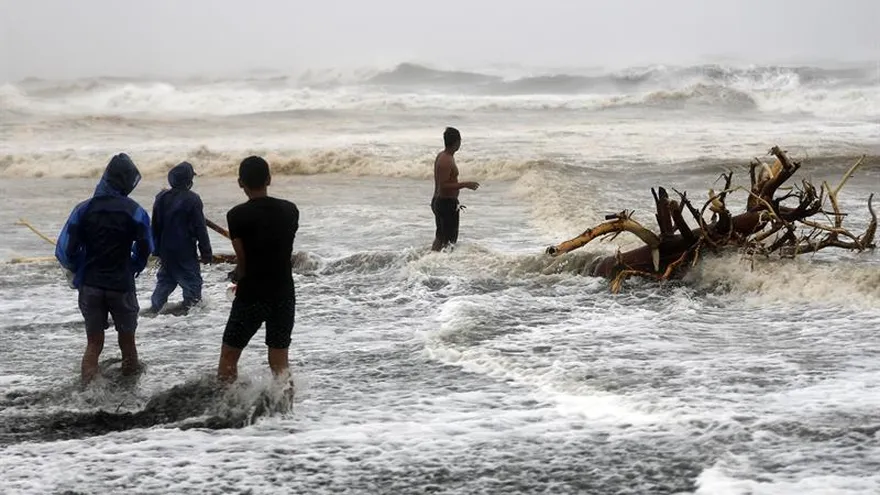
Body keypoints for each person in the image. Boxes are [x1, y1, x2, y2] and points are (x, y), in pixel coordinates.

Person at [55, 153, 154, 385]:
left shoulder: (84, 209)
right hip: (121, 284)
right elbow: (146, 247)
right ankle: (129, 393)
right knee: (127, 343)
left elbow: (67, 250)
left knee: (94, 344)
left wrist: (80, 268)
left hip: (90, 284)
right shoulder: (135, 211)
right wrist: (134, 265)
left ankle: (89, 393)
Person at [218, 156, 299, 383]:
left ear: (240, 182)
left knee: (229, 356)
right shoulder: (290, 210)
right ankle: (285, 409)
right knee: (279, 360)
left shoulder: (236, 215)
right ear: (269, 179)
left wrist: (236, 276)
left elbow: (243, 262)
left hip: (252, 294)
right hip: (283, 292)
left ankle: (225, 409)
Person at [145, 161, 213, 315]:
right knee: (193, 286)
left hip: (166, 250)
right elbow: (200, 228)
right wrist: (206, 252)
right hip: (185, 251)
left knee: (165, 281)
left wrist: (155, 249)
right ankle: (190, 314)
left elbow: (155, 224)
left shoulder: (161, 197)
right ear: (188, 180)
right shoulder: (193, 199)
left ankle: (154, 310)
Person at [431, 127, 480, 251]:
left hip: (440, 201)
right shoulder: (446, 160)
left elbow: (439, 184)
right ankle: (441, 265)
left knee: (441, 237)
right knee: (449, 241)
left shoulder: (442, 156)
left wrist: (434, 201)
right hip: (446, 203)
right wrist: (465, 184)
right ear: (457, 142)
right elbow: (443, 185)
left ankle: (434, 261)